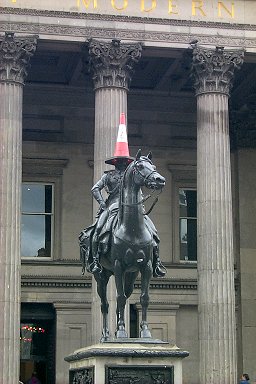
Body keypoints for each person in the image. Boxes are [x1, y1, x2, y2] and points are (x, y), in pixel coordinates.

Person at [89, 113, 166, 277]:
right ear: (115, 162)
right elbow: (95, 189)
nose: (122, 163)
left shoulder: (133, 176)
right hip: (112, 207)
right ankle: (95, 259)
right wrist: (103, 204)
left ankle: (157, 262)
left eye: (125, 161)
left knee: (153, 231)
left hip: (134, 208)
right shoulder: (108, 176)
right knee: (98, 229)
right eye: (120, 161)